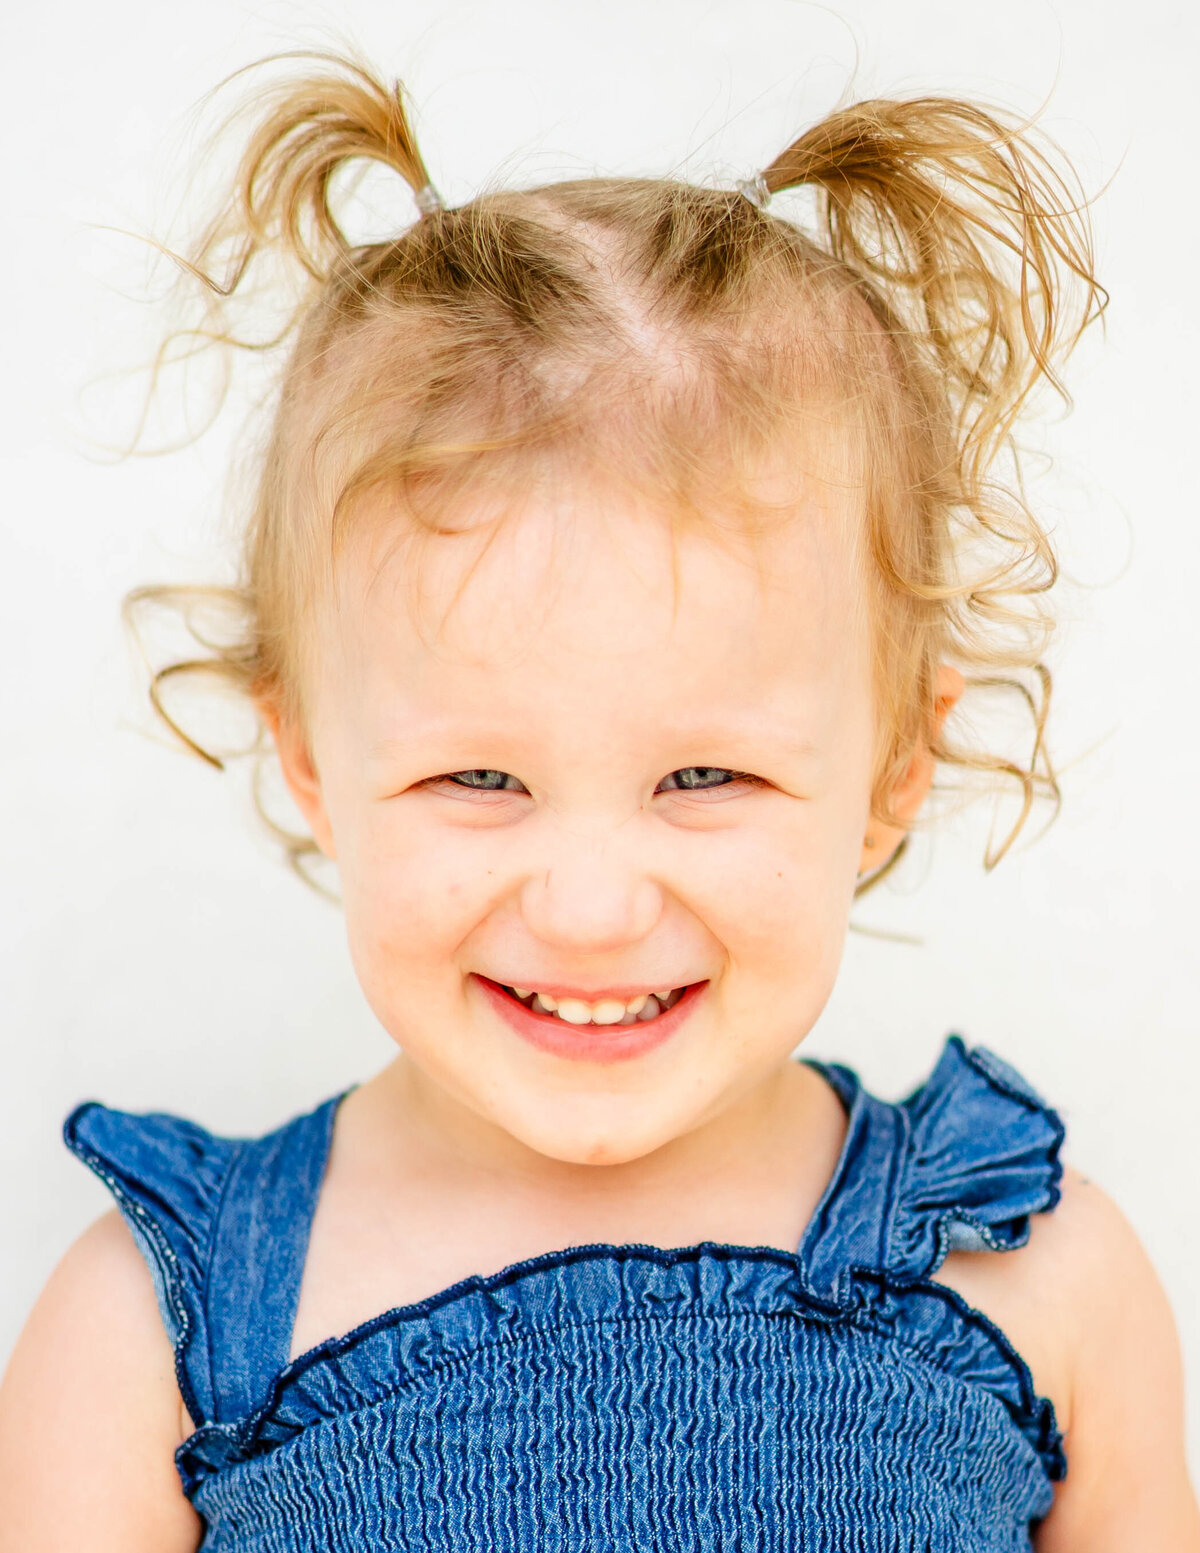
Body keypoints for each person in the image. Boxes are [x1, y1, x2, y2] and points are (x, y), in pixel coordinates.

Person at [0, 46, 1196, 1553]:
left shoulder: (1043, 1284)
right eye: (477, 776)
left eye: (706, 775)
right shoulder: (151, 1344)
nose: (587, 904)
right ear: (306, 755)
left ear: (898, 765)